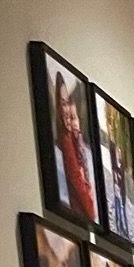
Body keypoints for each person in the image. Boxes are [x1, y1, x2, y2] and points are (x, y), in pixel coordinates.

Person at [54, 73, 97, 223]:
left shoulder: (73, 137)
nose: (65, 109)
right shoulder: (65, 140)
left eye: (66, 102)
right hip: (80, 208)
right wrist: (91, 211)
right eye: (62, 103)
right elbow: (76, 179)